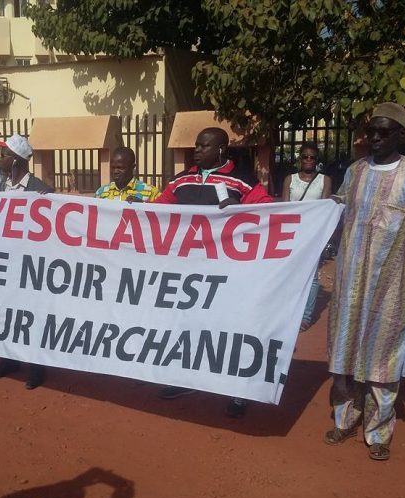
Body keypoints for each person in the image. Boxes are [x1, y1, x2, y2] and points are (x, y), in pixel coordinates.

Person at [324, 102, 405, 461]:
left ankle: (378, 430)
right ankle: (345, 418)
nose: (374, 137)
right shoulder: (355, 171)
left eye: (384, 131)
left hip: (393, 286)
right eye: (371, 131)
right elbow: (336, 210)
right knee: (344, 353)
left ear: (400, 134)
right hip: (349, 284)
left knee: (384, 358)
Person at [154, 127, 274, 418]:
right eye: (196, 145)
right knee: (186, 325)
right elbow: (157, 210)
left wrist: (241, 210)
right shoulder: (181, 180)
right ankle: (185, 380)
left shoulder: (242, 180)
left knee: (230, 328)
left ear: (221, 150)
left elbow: (270, 209)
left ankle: (238, 393)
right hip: (188, 271)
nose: (197, 150)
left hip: (228, 272)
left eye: (203, 146)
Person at [0, 133, 52, 390]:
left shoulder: (40, 190)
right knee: (4, 313)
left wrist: (49, 201)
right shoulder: (2, 188)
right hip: (5, 264)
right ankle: (8, 359)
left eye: (3, 154)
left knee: (30, 316)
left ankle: (36, 367)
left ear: (15, 161)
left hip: (29, 268)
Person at [281, 142, 332, 331]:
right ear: (299, 159)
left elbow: (325, 208)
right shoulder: (290, 179)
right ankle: (287, 312)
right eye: (305, 157)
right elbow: (284, 209)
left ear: (316, 161)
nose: (309, 160)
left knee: (312, 277)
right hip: (291, 234)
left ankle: (306, 316)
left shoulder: (324, 180)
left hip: (313, 234)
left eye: (312, 157)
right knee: (288, 274)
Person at [95, 146, 160, 202]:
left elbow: (163, 213)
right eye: (112, 167)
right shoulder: (101, 192)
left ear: (132, 167)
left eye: (120, 167)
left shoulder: (151, 192)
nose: (115, 171)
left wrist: (143, 205)